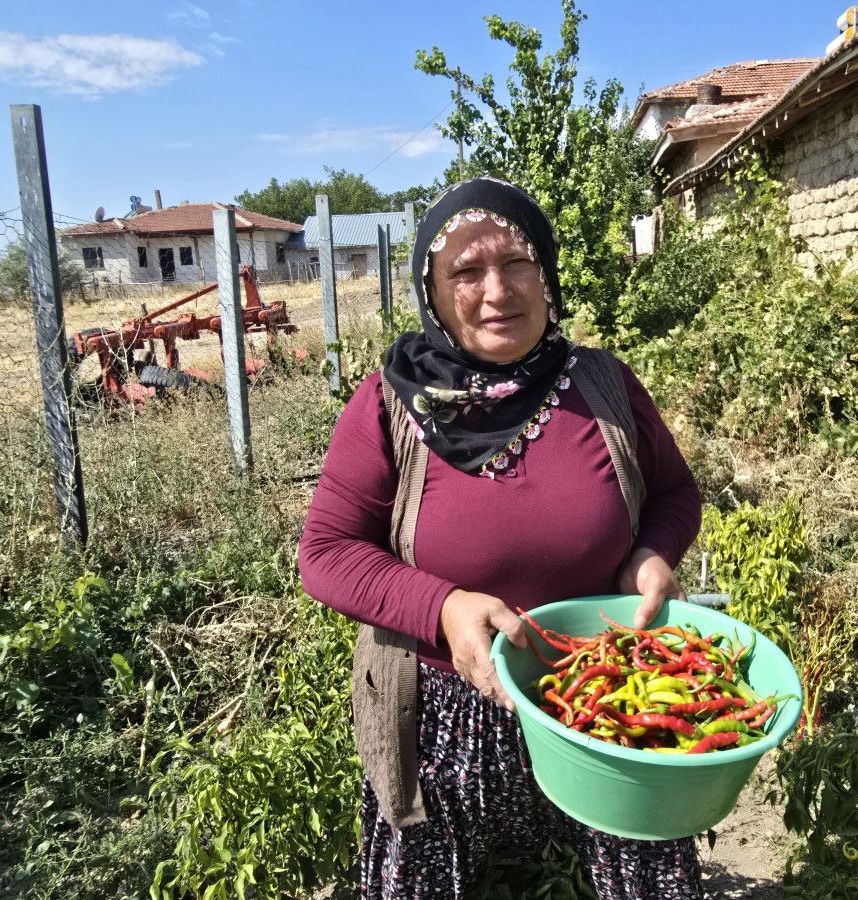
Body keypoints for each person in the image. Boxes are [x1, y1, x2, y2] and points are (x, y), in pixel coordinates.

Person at [298, 177, 704, 899]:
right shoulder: (389, 403)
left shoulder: (603, 384)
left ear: (546, 272)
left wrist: (651, 553)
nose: (498, 292)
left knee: (650, 878)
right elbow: (327, 554)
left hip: (608, 692)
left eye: (517, 263)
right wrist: (444, 608)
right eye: (466, 271)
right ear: (432, 291)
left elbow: (674, 493)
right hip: (445, 710)